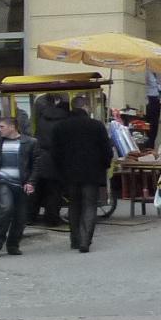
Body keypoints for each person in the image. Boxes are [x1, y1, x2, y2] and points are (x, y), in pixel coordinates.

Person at [49, 103, 113, 253]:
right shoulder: (96, 126)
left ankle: (75, 239)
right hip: (92, 172)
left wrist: (60, 170)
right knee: (90, 205)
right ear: (85, 108)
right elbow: (106, 149)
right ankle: (85, 240)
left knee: (74, 205)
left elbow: (55, 152)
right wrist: (104, 165)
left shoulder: (60, 127)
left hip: (69, 173)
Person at [0, 115, 40, 255]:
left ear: (12, 127)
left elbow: (36, 164)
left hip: (22, 183)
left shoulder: (30, 142)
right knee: (6, 208)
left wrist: (31, 182)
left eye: (2, 127)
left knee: (21, 217)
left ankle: (13, 244)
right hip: (3, 181)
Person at [30, 95, 72, 225]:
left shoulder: (42, 118)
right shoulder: (65, 121)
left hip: (41, 155)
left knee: (37, 189)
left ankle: (30, 217)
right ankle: (51, 218)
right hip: (57, 158)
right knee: (54, 191)